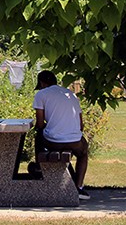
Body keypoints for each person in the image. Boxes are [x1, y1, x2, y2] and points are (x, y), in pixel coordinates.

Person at [32, 70, 90, 200]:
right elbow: (81, 125)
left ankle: (39, 167)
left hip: (53, 141)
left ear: (41, 83)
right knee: (83, 153)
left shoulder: (41, 95)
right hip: (75, 141)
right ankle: (79, 186)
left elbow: (40, 124)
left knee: (39, 136)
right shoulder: (71, 94)